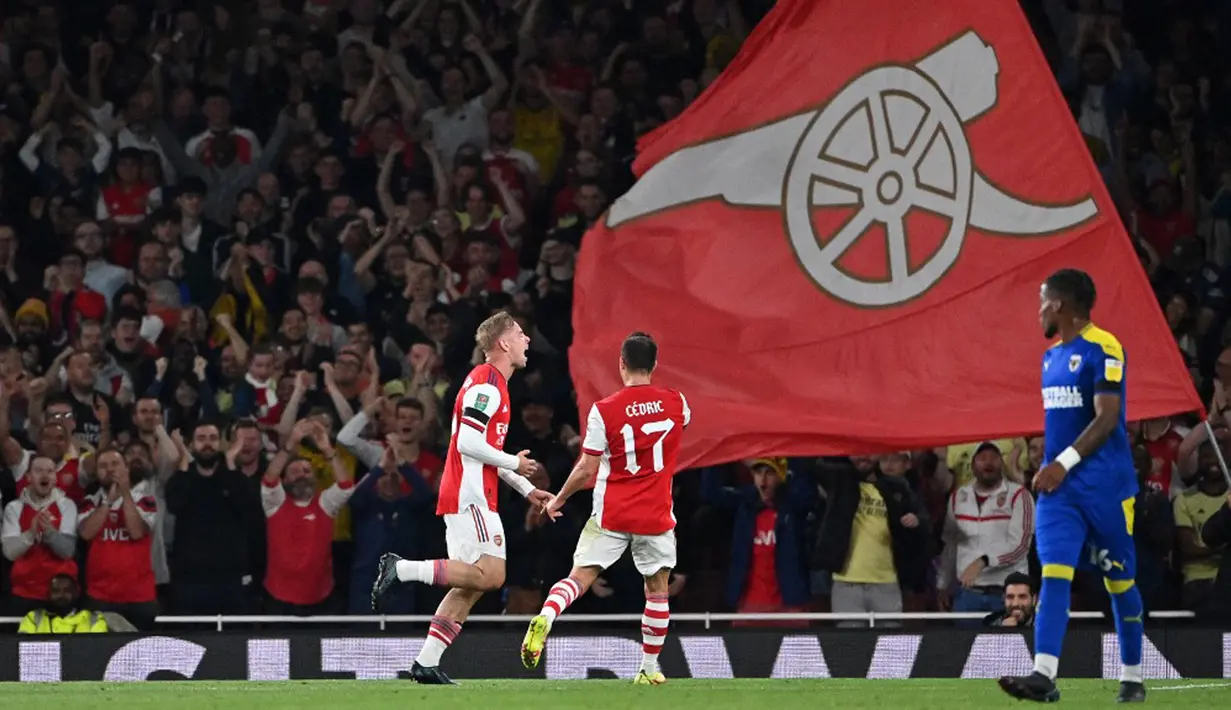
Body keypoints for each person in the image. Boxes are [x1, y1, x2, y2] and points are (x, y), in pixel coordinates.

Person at [369, 311, 552, 684]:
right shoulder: (487, 384)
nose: (527, 340)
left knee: (468, 586)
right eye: (519, 334)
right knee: (492, 576)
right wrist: (513, 461)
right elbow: (469, 443)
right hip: (472, 494)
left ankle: (426, 662)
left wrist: (526, 488)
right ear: (503, 343)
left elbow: (481, 449)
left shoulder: (490, 383)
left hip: (466, 490)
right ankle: (401, 568)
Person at [998, 269, 1145, 704]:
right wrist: (1049, 463)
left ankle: (1133, 676)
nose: (1038, 309)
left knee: (1120, 584)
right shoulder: (1049, 358)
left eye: (1042, 300)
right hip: (1059, 494)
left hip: (1106, 489)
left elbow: (1106, 417)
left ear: (1059, 304)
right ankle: (1044, 674)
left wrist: (1061, 463)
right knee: (1055, 572)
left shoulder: (1105, 346)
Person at [520, 332, 691, 685]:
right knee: (657, 589)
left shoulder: (604, 410)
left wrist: (559, 498)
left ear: (621, 364)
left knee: (579, 577)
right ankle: (649, 668)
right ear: (654, 365)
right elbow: (679, 426)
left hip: (612, 511)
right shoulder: (677, 402)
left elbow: (586, 468)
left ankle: (547, 616)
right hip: (655, 514)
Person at [17, 574, 108, 634]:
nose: (61, 595)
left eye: (67, 591)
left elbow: (97, 650)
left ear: (76, 593)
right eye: (56, 591)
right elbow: (23, 649)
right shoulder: (33, 618)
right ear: (48, 594)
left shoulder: (94, 619)